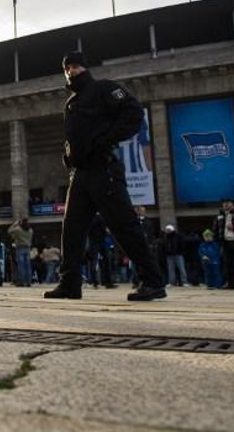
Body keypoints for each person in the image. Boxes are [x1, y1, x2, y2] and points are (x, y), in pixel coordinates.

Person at [46, 51, 165, 301]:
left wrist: (107, 139)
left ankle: (153, 282)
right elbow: (72, 137)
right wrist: (68, 157)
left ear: (85, 68)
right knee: (72, 230)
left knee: (124, 226)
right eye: (67, 68)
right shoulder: (70, 103)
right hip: (80, 173)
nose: (71, 71)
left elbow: (133, 113)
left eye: (75, 66)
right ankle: (69, 284)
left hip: (103, 168)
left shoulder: (103, 89)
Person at [9, 217, 33, 287]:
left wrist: (15, 224)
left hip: (20, 248)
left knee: (21, 266)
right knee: (28, 266)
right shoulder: (30, 230)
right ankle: (28, 282)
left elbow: (9, 231)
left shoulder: (18, 230)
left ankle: (21, 282)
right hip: (28, 248)